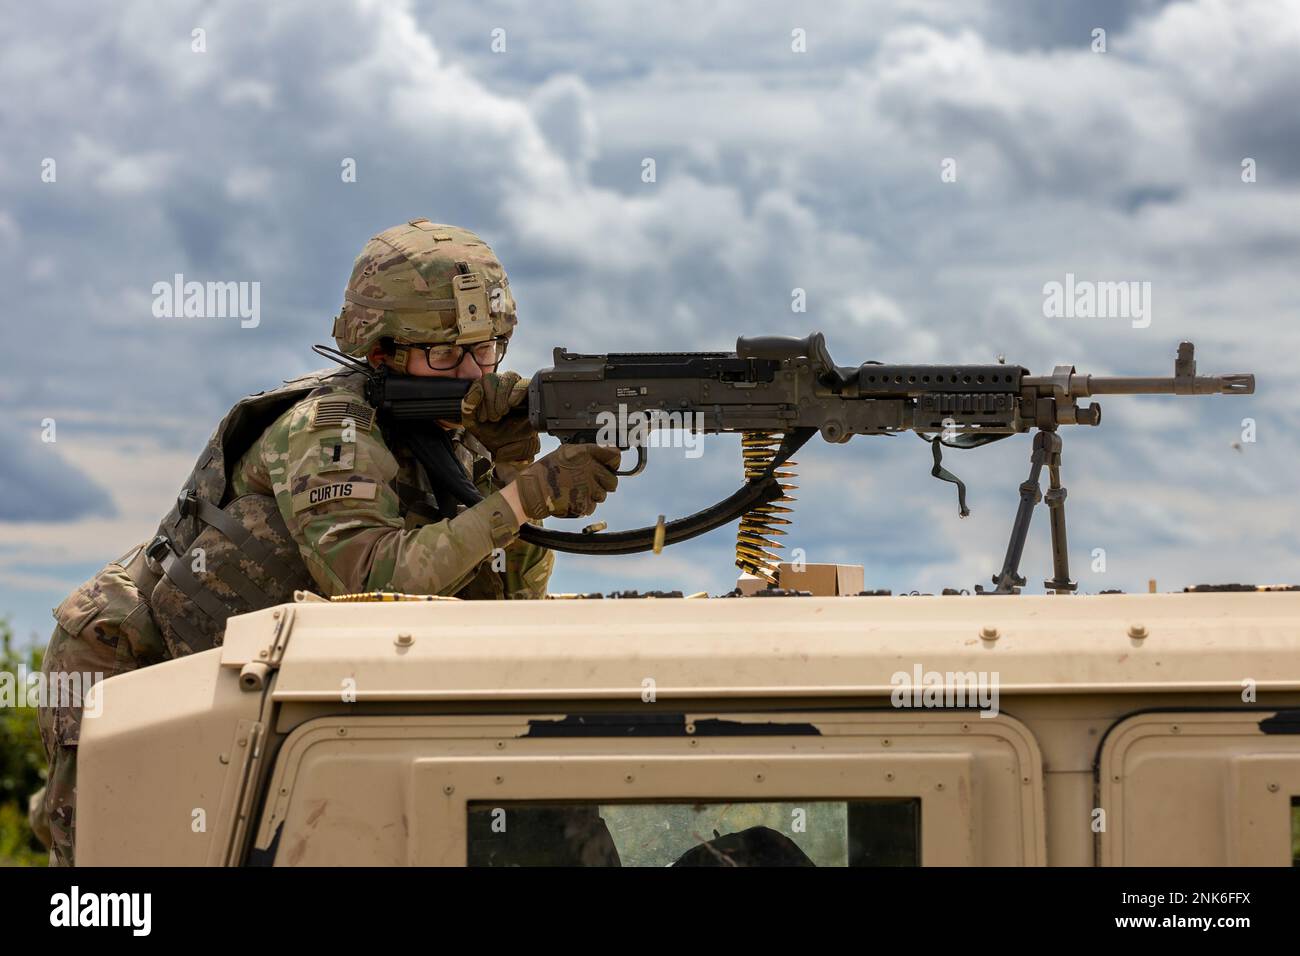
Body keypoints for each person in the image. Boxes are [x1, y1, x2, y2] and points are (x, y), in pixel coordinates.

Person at [34, 219, 621, 865]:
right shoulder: (329, 430)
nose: (476, 373)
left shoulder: (450, 433)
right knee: (120, 862)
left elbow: (504, 598)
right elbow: (371, 583)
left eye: (488, 351)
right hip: (131, 658)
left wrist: (507, 477)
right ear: (382, 352)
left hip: (247, 672)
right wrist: (522, 497)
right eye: (447, 355)